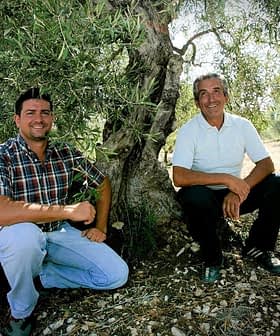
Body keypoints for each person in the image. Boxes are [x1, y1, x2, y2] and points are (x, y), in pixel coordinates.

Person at [0, 88, 129, 336]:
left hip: (59, 233)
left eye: (45, 113)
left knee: (115, 275)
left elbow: (102, 184)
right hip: (17, 236)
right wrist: (68, 210)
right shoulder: (4, 155)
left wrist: (100, 226)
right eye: (30, 113)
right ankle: (21, 313)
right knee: (25, 238)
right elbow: (2, 211)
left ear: (52, 118)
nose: (38, 119)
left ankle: (42, 276)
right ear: (17, 119)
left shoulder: (65, 153)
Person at [172, 73, 280, 283]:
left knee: (277, 184)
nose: (211, 99)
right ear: (196, 102)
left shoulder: (242, 125)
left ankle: (259, 247)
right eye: (204, 94)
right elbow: (179, 176)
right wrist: (226, 178)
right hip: (205, 198)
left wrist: (238, 190)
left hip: (235, 196)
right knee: (194, 197)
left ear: (226, 97)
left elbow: (266, 164)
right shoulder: (188, 131)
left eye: (216, 91)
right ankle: (212, 259)